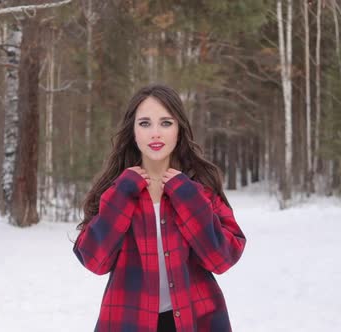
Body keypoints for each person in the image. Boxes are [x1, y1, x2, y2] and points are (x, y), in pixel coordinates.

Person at [73, 84, 246, 332]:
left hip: (196, 321)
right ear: (133, 131)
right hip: (128, 322)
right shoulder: (117, 190)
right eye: (145, 123)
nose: (156, 133)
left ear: (179, 130)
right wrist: (123, 194)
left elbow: (222, 259)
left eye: (166, 123)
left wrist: (187, 197)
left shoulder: (198, 189)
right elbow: (94, 260)